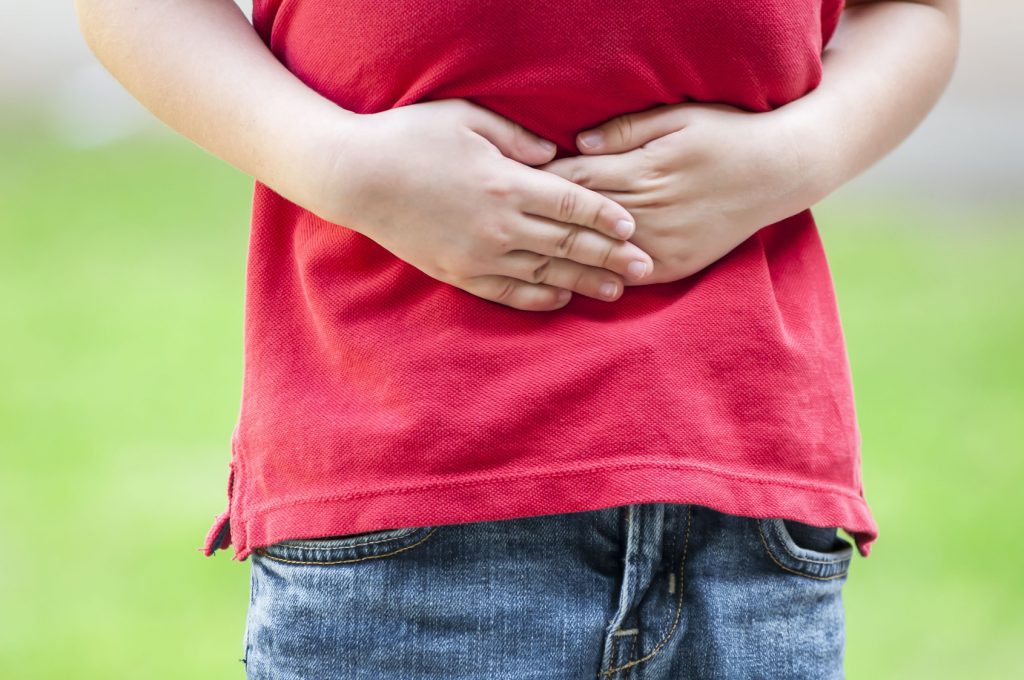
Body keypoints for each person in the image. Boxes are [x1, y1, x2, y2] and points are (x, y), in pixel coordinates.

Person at [75, 0, 960, 677]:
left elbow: (916, 10)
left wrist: (797, 156)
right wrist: (341, 165)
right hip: (406, 498)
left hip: (749, 503)